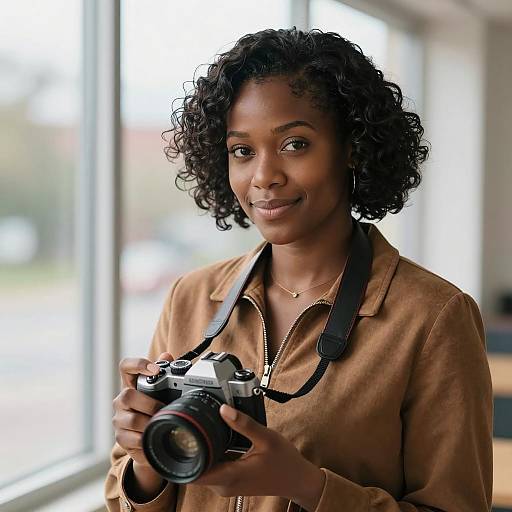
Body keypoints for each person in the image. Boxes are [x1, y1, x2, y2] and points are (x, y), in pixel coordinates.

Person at [105, 27, 493, 512]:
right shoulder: (192, 295)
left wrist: (307, 485)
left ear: (351, 147)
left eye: (294, 144)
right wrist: (145, 459)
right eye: (242, 151)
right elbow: (125, 500)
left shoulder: (434, 317)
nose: (264, 176)